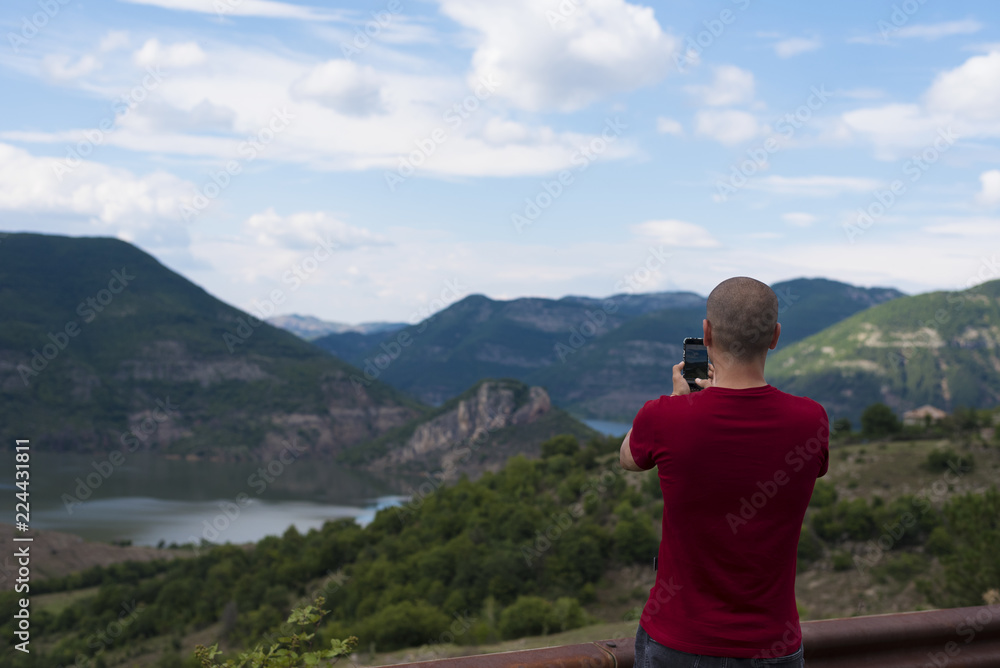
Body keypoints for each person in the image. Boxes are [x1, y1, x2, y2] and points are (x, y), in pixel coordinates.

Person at [620, 276, 829, 668]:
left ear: (707, 333)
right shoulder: (811, 420)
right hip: (773, 644)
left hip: (676, 642)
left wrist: (679, 401)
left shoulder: (663, 417)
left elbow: (627, 457)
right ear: (775, 337)